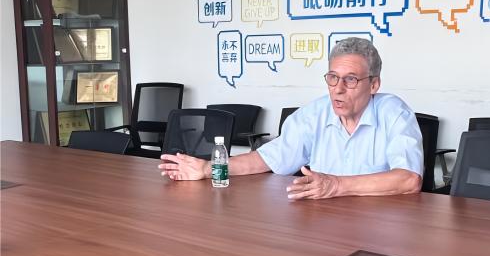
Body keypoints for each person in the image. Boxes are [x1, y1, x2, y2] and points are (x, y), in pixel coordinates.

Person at [158, 37, 423, 200]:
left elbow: (409, 179)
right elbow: (267, 158)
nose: (338, 89)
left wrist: (336, 185)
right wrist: (209, 169)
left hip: (380, 225)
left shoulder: (394, 113)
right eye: (332, 78)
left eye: (350, 79)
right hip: (325, 221)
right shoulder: (314, 114)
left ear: (374, 84)